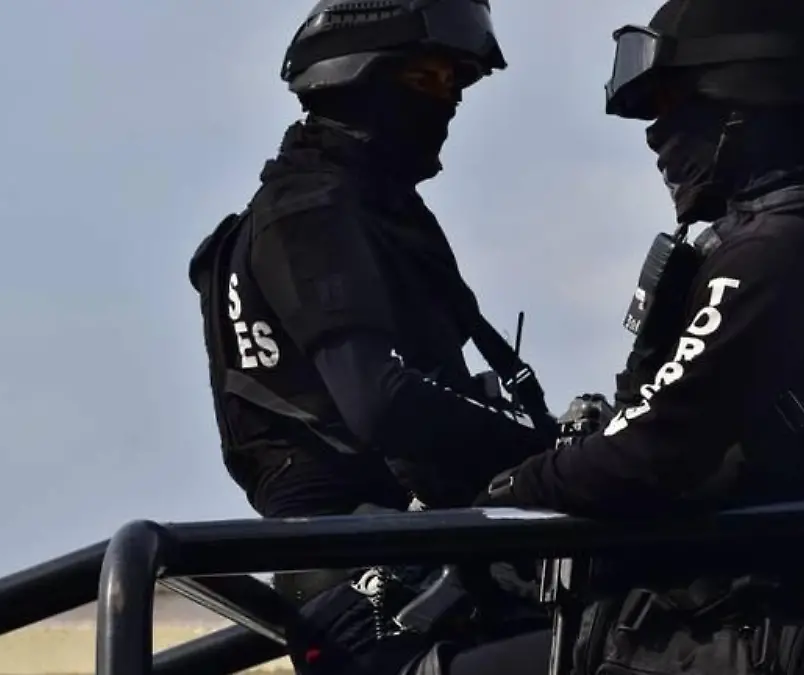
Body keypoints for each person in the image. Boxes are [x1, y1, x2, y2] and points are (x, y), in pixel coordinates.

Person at [280, 0, 804, 673]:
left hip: (736, 632)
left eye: (670, 106)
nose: (655, 138)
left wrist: (506, 491)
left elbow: (653, 443)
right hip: (773, 615)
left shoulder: (772, 256)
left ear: (741, 102)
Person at [187, 0, 559, 604]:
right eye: (425, 79)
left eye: (454, 83)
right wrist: (545, 452)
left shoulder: (378, 210)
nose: (448, 102)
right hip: (366, 572)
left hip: (422, 544)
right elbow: (380, 403)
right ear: (355, 79)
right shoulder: (308, 212)